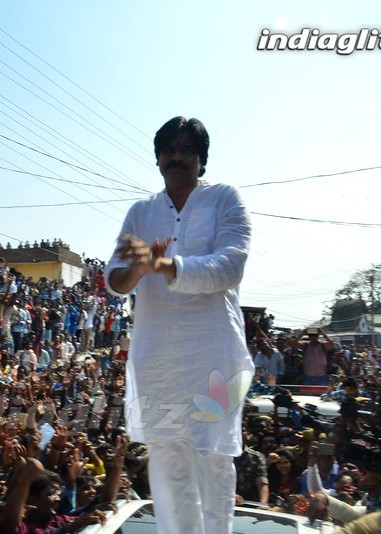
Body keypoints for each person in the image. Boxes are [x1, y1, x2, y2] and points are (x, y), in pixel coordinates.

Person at [105, 116, 253, 533]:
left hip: (213, 355)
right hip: (157, 359)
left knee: (212, 458)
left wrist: (166, 265)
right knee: (168, 463)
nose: (177, 156)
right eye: (169, 148)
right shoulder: (141, 211)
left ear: (202, 160)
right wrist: (138, 270)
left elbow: (231, 266)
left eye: (187, 149)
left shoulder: (225, 198)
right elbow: (115, 280)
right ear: (157, 159)